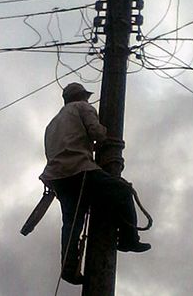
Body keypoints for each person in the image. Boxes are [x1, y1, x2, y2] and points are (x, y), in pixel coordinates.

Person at [40, 82, 151, 285]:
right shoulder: (82, 108)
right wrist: (104, 136)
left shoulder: (52, 124)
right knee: (122, 191)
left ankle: (69, 268)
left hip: (58, 177)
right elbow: (97, 134)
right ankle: (128, 239)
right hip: (79, 169)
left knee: (72, 223)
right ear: (82, 97)